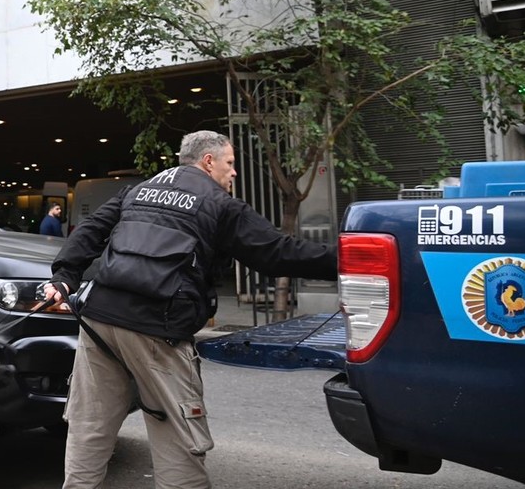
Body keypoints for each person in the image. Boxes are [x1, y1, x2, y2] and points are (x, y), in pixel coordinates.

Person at [42, 130, 337, 489]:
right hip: (157, 331)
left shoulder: (139, 189)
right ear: (208, 161)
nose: (234, 174)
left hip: (98, 321)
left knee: (90, 427)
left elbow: (92, 228)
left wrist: (64, 278)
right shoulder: (218, 203)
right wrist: (347, 258)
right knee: (179, 440)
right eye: (230, 163)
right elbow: (277, 253)